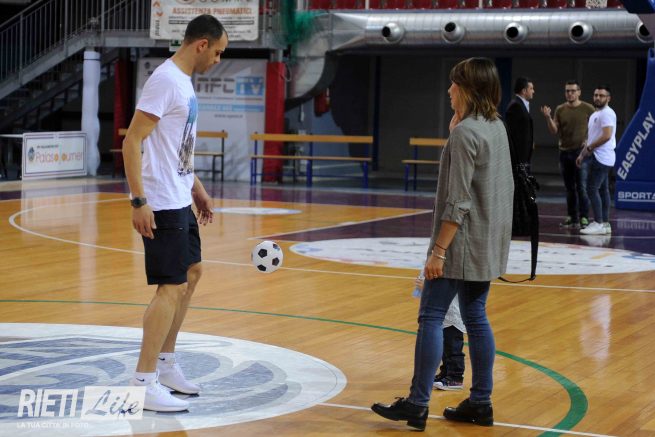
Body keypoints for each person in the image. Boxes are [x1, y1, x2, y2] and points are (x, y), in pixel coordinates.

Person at [371, 58, 514, 431]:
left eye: (454, 83)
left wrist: (438, 252)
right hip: (487, 241)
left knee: (431, 316)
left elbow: (458, 201)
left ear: (467, 88)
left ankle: (417, 404)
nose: (449, 89)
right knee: (476, 316)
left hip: (460, 244)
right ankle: (480, 402)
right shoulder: (496, 126)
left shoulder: (466, 134)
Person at [122, 14, 228, 412]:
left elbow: (177, 147)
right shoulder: (166, 80)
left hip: (180, 196)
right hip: (161, 201)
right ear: (201, 44)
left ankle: (165, 364)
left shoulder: (183, 83)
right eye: (218, 52)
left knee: (192, 274)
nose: (217, 59)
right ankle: (143, 381)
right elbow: (133, 141)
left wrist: (197, 189)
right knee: (169, 287)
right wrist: (139, 200)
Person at [541, 81, 594, 229]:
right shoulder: (560, 109)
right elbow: (554, 130)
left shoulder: (588, 108)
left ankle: (584, 217)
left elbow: (596, 127)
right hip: (565, 153)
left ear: (579, 92)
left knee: (581, 187)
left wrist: (588, 140)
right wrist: (548, 117)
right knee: (569, 188)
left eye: (572, 91)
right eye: (567, 91)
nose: (570, 93)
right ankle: (572, 217)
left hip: (581, 153)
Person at [414, 276, 467, 391]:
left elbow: (446, 291)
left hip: (453, 316)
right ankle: (446, 373)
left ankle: (455, 378)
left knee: (453, 349)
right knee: (445, 348)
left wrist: (427, 288)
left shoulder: (455, 275)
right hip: (445, 315)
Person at [578, 85, 616, 236]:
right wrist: (582, 155)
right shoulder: (596, 114)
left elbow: (607, 136)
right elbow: (591, 137)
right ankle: (605, 223)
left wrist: (589, 148)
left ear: (608, 98)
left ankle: (599, 223)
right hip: (599, 156)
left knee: (592, 189)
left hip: (602, 158)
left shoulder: (607, 113)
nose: (598, 98)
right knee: (603, 190)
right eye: (596, 95)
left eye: (601, 95)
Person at [505, 77, 535, 171]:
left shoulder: (521, 105)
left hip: (524, 157)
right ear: (524, 91)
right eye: (531, 89)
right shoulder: (515, 106)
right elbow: (511, 134)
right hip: (519, 159)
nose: (533, 91)